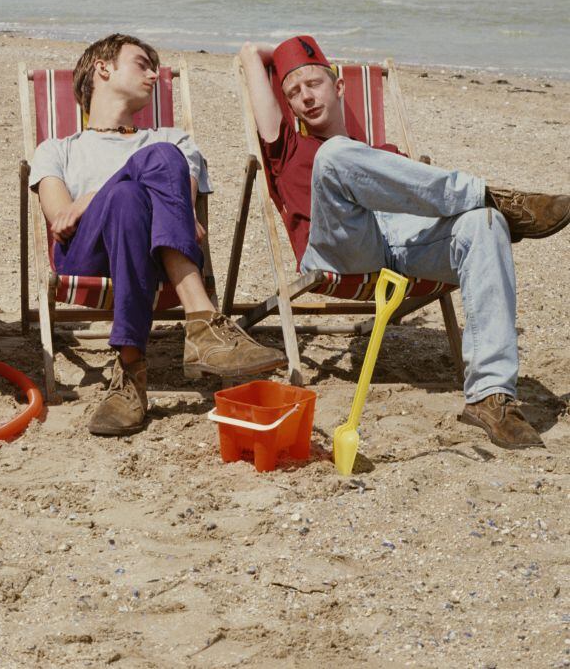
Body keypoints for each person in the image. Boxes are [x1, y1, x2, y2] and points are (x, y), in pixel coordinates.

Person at [239, 35, 570, 449]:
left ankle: (490, 397)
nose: (305, 97)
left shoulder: (385, 154)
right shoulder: (286, 148)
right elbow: (250, 53)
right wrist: (289, 54)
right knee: (335, 155)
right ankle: (489, 194)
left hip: (400, 249)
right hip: (338, 251)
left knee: (485, 224)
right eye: (293, 92)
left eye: (314, 84)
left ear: (339, 87)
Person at [29, 33, 286, 437]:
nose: (153, 74)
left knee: (134, 194)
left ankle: (130, 373)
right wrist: (98, 197)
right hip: (86, 255)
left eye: (155, 68)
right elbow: (61, 219)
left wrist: (100, 193)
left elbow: (180, 215)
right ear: (104, 68)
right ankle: (202, 320)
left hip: (154, 251)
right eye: (142, 64)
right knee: (145, 173)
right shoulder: (57, 148)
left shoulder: (174, 140)